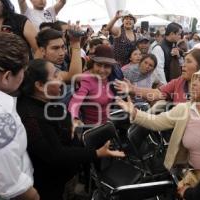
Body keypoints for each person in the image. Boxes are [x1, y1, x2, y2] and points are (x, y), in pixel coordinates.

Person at [17, 58, 125, 200]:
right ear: (40, 85)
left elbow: (63, 117)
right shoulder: (32, 117)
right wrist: (97, 153)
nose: (61, 78)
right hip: (51, 185)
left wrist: (71, 122)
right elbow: (56, 155)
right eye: (55, 75)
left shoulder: (48, 99)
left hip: (67, 176)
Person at [116, 64, 200, 176]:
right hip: (189, 177)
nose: (194, 83)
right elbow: (156, 121)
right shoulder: (184, 109)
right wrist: (134, 112)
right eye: (194, 79)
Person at [0, 32, 39, 200]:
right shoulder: (0, 121)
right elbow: (12, 187)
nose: (24, 75)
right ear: (6, 77)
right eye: (23, 70)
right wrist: (33, 196)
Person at [114, 48, 200, 103]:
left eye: (188, 61)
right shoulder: (179, 81)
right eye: (184, 61)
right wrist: (132, 89)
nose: (183, 65)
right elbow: (157, 93)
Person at [68, 45, 117, 125]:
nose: (102, 70)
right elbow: (75, 102)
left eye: (107, 66)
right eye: (99, 65)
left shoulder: (111, 77)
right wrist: (74, 118)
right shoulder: (85, 79)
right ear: (93, 64)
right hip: (91, 129)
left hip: (107, 124)